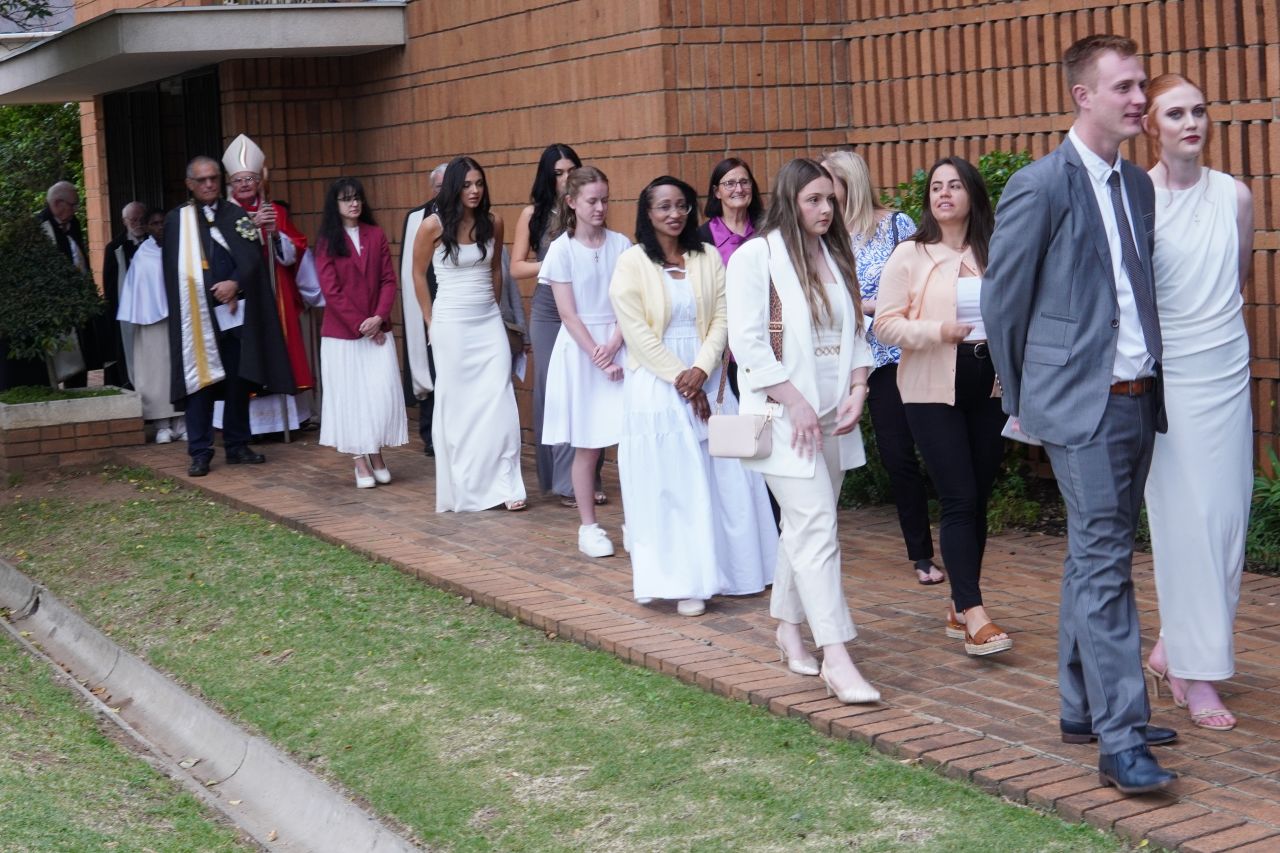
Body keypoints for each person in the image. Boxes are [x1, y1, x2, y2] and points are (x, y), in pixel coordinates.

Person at [983, 34, 1178, 794]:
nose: (1139, 99)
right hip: (1081, 409)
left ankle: (1081, 705)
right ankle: (1119, 738)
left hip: (1138, 398)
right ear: (1083, 96)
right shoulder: (1040, 185)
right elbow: (1004, 305)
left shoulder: (1137, 187)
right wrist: (1025, 399)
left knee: (1095, 558)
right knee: (1105, 567)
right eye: (1124, 86)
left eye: (1141, 85)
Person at [726, 158, 878, 704]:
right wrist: (796, 401)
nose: (825, 209)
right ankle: (837, 655)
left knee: (805, 526)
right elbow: (748, 343)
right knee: (817, 527)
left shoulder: (835, 254)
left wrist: (859, 387)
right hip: (782, 417)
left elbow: (854, 332)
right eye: (814, 199)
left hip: (834, 416)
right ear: (790, 201)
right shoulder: (756, 257)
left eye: (830, 199)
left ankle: (788, 628)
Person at [1139, 74, 1253, 733]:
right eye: (1175, 113)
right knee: (1189, 524)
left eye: (1199, 111)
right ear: (1150, 126)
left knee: (1228, 522)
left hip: (1227, 371)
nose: (1191, 123)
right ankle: (1195, 672)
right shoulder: (1139, 198)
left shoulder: (1235, 194)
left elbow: (1237, 276)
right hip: (1172, 379)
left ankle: (1172, 649)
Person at [612, 175, 777, 617]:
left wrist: (701, 370)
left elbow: (724, 316)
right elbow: (636, 332)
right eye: (663, 206)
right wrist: (681, 379)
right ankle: (683, 580)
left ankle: (737, 572)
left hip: (710, 377)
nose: (674, 214)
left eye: (681, 205)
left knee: (728, 477)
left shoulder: (706, 256)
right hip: (656, 383)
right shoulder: (631, 263)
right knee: (674, 483)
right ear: (647, 213)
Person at [876, 157, 1009, 656]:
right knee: (958, 497)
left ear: (973, 194)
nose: (944, 194)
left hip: (992, 388)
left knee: (977, 499)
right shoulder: (910, 254)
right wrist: (937, 331)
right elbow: (885, 324)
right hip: (931, 389)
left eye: (955, 185)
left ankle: (959, 604)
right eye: (936, 187)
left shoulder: (996, 249)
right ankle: (974, 613)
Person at [823, 150, 940, 586]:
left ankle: (922, 556)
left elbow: (922, 289)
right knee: (822, 450)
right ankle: (810, 547)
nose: (822, 193)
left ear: (848, 182)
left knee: (899, 455)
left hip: (891, 357)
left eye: (828, 182)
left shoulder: (896, 226)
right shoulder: (823, 235)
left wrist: (867, 306)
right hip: (840, 357)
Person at [163, 155, 297, 477]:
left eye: (213, 178)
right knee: (201, 385)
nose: (209, 184)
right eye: (202, 180)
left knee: (239, 379)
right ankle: (200, 451)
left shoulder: (234, 214)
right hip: (198, 316)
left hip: (235, 315)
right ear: (190, 184)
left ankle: (237, 444)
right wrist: (214, 290)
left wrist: (234, 284)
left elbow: (251, 258)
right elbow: (174, 271)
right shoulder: (178, 220)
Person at [412, 156, 527, 512]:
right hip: (451, 325)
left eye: (479, 183)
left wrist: (495, 311)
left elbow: (496, 270)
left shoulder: (494, 222)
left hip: (488, 322)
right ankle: (466, 485)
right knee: (460, 408)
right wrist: (430, 320)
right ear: (453, 188)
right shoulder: (431, 226)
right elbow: (417, 274)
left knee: (499, 401)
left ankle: (507, 484)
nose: (474, 190)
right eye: (466, 185)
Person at [540, 166, 630, 557]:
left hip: (619, 343)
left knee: (630, 440)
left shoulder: (622, 245)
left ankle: (634, 522)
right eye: (592, 201)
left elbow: (630, 302)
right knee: (588, 444)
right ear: (572, 202)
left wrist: (615, 343)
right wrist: (599, 355)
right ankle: (589, 527)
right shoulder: (561, 250)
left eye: (604, 200)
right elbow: (568, 314)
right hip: (581, 352)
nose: (600, 207)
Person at [510, 144, 604, 506]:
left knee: (589, 386)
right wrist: (556, 262)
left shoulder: (589, 208)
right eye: (558, 173)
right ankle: (564, 482)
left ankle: (588, 478)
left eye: (571, 171)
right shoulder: (532, 214)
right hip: (549, 308)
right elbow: (517, 267)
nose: (566, 178)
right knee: (556, 390)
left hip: (587, 304)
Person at [214, 134, 314, 437]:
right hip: (242, 296)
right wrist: (251, 228)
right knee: (243, 357)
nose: (245, 184)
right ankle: (245, 427)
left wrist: (275, 234)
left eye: (250, 179)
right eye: (239, 180)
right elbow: (219, 253)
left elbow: (294, 251)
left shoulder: (275, 212)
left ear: (259, 181)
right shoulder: (221, 214)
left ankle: (282, 422)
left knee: (276, 348)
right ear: (230, 183)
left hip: (274, 291)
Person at [314, 178, 408, 487]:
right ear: (335, 205)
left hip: (378, 329)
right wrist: (362, 325)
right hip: (343, 335)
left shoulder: (375, 234)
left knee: (380, 394)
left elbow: (388, 280)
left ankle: (376, 452)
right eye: (346, 199)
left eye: (357, 198)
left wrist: (379, 317)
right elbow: (331, 290)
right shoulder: (327, 241)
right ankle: (359, 460)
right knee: (350, 397)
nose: (353, 203)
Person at [696, 157, 763, 399]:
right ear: (717, 192)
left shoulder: (767, 230)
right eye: (730, 183)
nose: (739, 189)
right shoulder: (701, 237)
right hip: (722, 341)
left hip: (764, 334)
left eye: (744, 182)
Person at [117, 206, 181, 442]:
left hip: (179, 319)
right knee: (155, 374)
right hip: (151, 322)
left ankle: (182, 422)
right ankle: (162, 425)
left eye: (164, 222)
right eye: (155, 223)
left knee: (179, 370)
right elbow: (138, 290)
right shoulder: (143, 254)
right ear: (147, 227)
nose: (160, 227)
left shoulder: (182, 248)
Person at [401, 162, 447, 455]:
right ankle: (430, 434)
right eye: (440, 186)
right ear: (433, 189)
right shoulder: (418, 218)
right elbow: (411, 269)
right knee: (428, 365)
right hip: (427, 301)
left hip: (456, 301)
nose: (445, 191)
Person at [38, 181, 101, 387]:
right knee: (58, 357)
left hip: (77, 303)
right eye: (73, 205)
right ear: (57, 203)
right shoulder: (39, 227)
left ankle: (78, 389)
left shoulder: (73, 224)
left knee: (81, 354)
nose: (75, 210)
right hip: (54, 305)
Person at [102, 200, 148, 388]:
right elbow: (110, 286)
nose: (138, 223)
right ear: (124, 221)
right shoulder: (115, 248)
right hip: (126, 311)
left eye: (141, 219)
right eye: (133, 220)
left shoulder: (154, 242)